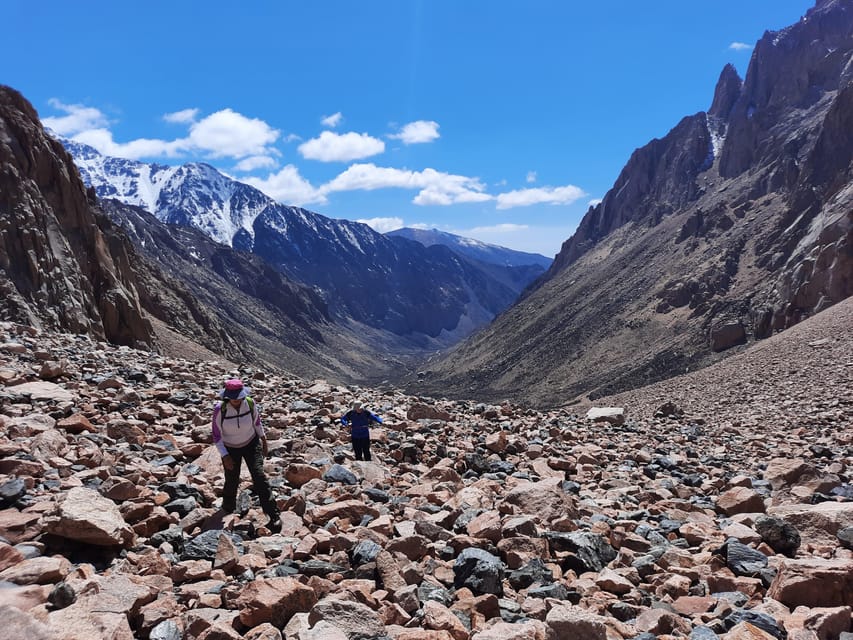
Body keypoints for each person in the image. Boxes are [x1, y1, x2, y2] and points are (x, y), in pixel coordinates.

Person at [212, 378, 280, 532]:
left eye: (239, 397)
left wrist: (263, 440)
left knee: (259, 476)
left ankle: (273, 514)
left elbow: (257, 422)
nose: (236, 400)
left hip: (251, 443)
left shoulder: (249, 403)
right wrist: (224, 455)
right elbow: (216, 435)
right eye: (233, 397)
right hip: (231, 449)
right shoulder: (220, 409)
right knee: (231, 479)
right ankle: (228, 508)